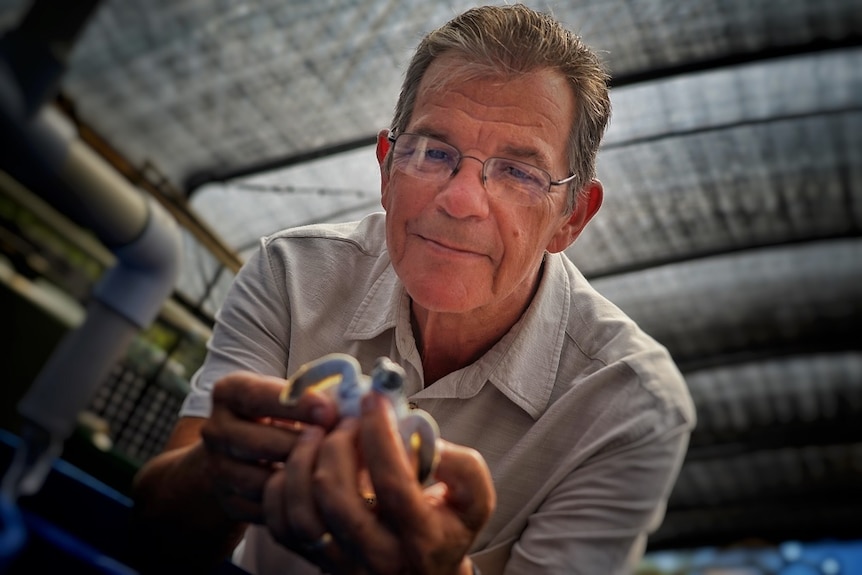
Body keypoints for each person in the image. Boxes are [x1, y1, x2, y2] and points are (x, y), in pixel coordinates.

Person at [129, 4, 696, 574]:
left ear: (571, 219)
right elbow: (158, 532)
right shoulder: (295, 273)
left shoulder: (630, 405)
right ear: (385, 170)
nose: (461, 201)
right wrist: (218, 470)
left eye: (519, 173)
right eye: (434, 152)